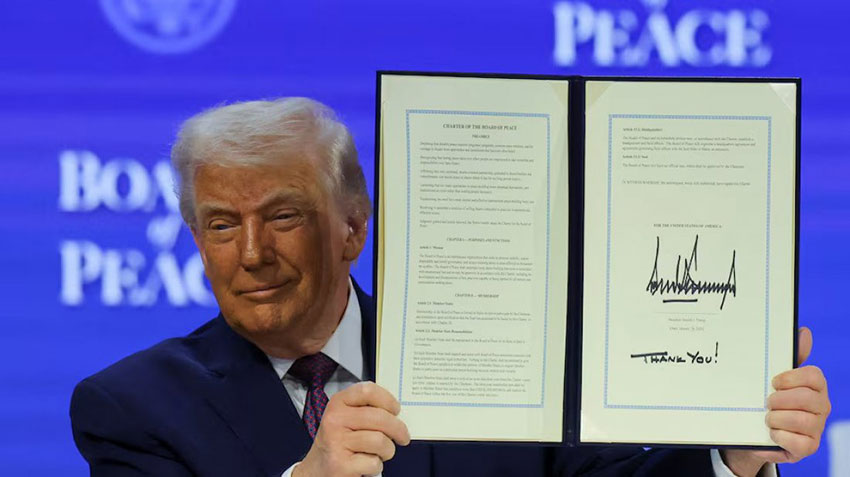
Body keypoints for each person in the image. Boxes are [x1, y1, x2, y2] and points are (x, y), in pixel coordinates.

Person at [70, 98, 831, 477]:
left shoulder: (497, 355)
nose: (252, 253)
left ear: (354, 227)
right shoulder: (131, 408)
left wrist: (731, 453)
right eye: (220, 224)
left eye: (283, 216)